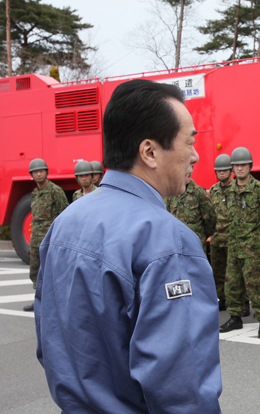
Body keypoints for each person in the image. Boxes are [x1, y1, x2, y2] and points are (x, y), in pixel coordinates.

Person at [34, 79, 222, 412]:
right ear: (150, 152)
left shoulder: (66, 222)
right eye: (189, 141)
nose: (194, 155)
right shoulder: (168, 241)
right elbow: (181, 387)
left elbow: (49, 344)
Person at [219, 147, 260, 339]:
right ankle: (235, 317)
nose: (240, 168)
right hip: (234, 247)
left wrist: (259, 237)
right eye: (236, 165)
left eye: (243, 165)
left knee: (257, 285)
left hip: (255, 248)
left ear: (250, 166)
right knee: (232, 285)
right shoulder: (231, 191)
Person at [24, 158, 68, 312]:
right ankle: (38, 300)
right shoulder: (35, 193)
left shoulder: (55, 191)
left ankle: (55, 303)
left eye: (41, 171)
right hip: (36, 239)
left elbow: (63, 215)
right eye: (35, 172)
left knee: (51, 271)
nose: (39, 174)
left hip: (50, 239)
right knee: (35, 271)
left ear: (46, 173)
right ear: (32, 175)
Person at [209, 154, 237, 311]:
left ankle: (241, 301)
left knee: (235, 274)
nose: (221, 173)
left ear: (230, 170)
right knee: (218, 273)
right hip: (217, 239)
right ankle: (223, 299)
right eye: (218, 170)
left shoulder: (237, 189)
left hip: (232, 239)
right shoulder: (213, 191)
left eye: (224, 170)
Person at [165, 173, 216, 254]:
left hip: (195, 246)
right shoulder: (171, 192)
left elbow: (210, 220)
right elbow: (165, 216)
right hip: (175, 245)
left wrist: (200, 236)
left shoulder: (199, 193)